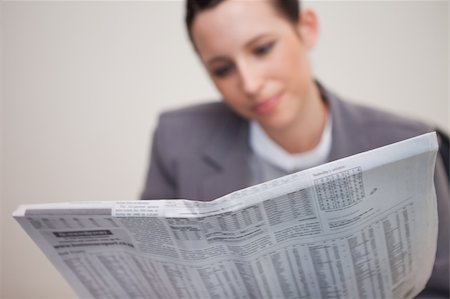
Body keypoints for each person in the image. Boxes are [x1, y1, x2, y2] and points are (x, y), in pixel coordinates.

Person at [141, 0, 449, 297]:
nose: (250, 83)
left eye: (262, 49)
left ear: (307, 28)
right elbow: (152, 275)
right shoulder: (176, 140)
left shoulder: (406, 144)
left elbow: (439, 287)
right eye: (223, 69)